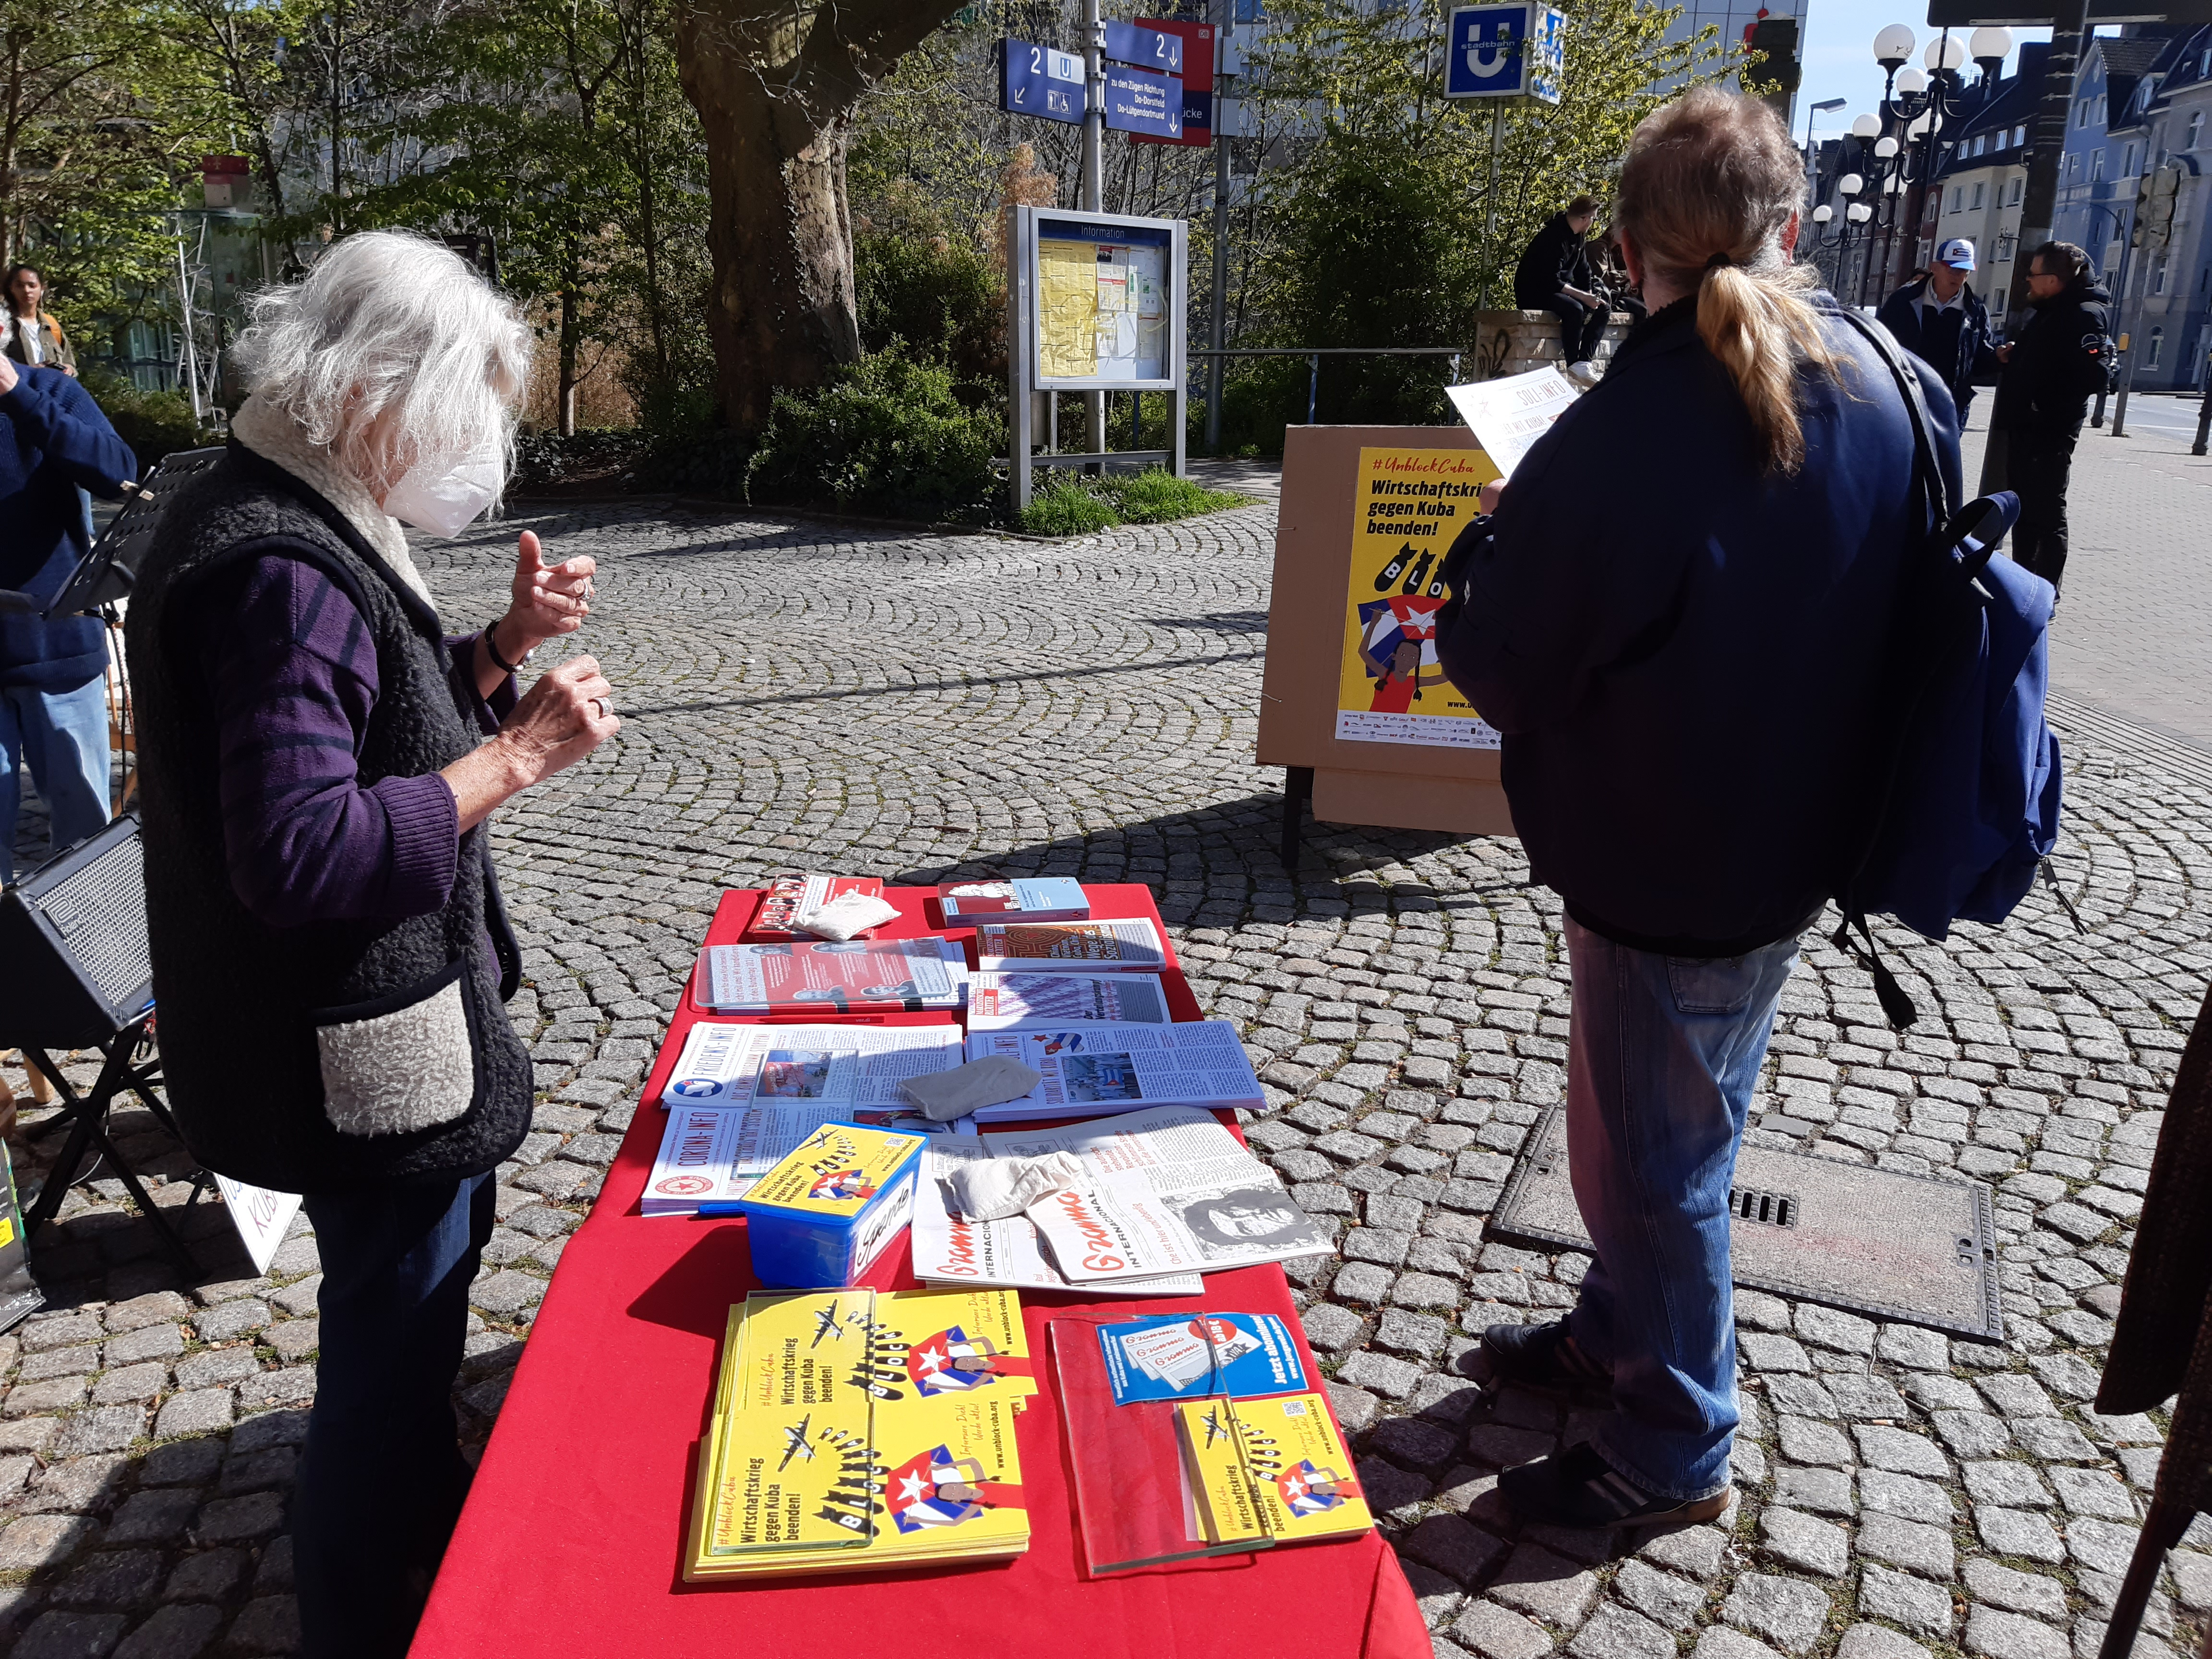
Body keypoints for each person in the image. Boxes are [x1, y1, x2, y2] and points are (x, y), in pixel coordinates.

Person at [1434, 86, 1956, 1529]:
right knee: (1660, 1120)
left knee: (1661, 1159)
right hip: (1803, 834)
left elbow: (1506, 667)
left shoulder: (1629, 428)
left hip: (1666, 849)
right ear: (1787, 225)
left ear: (1622, 245)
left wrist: (1483, 553)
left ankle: (1677, 1439)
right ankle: (1618, 1329)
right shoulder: (1896, 379)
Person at [127, 230, 616, 1659]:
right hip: (355, 1052)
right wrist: (517, 755)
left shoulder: (283, 497)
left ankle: (415, 1540)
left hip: (378, 1036)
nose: (467, 459)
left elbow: (366, 718)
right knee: (387, 1365)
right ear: (374, 394)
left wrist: (492, 650)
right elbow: (299, 851)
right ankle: (375, 1612)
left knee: (418, 1319)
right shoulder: (278, 564)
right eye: (458, 419)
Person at [0, 352, 133, 875]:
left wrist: (18, 395)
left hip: (56, 648)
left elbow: (119, 473)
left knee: (85, 845)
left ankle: (90, 944)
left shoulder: (48, 390)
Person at [1983, 240, 2111, 598]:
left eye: (2034, 275)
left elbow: (2095, 377)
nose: (2028, 281)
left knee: (2046, 515)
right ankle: (2025, 585)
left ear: (2054, 280)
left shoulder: (2084, 314)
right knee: (2025, 512)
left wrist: (2043, 400)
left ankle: (2045, 593)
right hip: (2028, 429)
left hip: (2049, 433)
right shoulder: (2051, 310)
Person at [1876, 237, 1997, 419]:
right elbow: (1879, 343)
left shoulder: (1976, 311)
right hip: (1905, 399)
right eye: (1953, 268)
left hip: (1950, 406)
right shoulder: (1903, 301)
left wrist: (1997, 358)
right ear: (1935, 267)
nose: (1958, 276)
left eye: (1964, 270)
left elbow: (1979, 362)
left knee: (1943, 450)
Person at [1515, 194, 1609, 383]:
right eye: (1594, 218)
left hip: (1557, 289)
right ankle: (1574, 362)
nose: (1593, 223)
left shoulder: (1579, 237)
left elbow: (1584, 272)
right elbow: (1551, 281)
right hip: (1535, 292)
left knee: (1603, 308)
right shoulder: (1554, 237)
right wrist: (1582, 297)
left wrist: (1590, 296)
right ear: (1585, 219)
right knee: (1574, 308)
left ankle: (1584, 362)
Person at [2, 265, 78, 377]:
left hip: (52, 392)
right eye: (20, 286)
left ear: (42, 288)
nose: (27, 291)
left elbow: (70, 362)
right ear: (11, 288)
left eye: (32, 286)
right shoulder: (4, 323)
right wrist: (29, 371)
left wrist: (69, 369)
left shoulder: (51, 324)